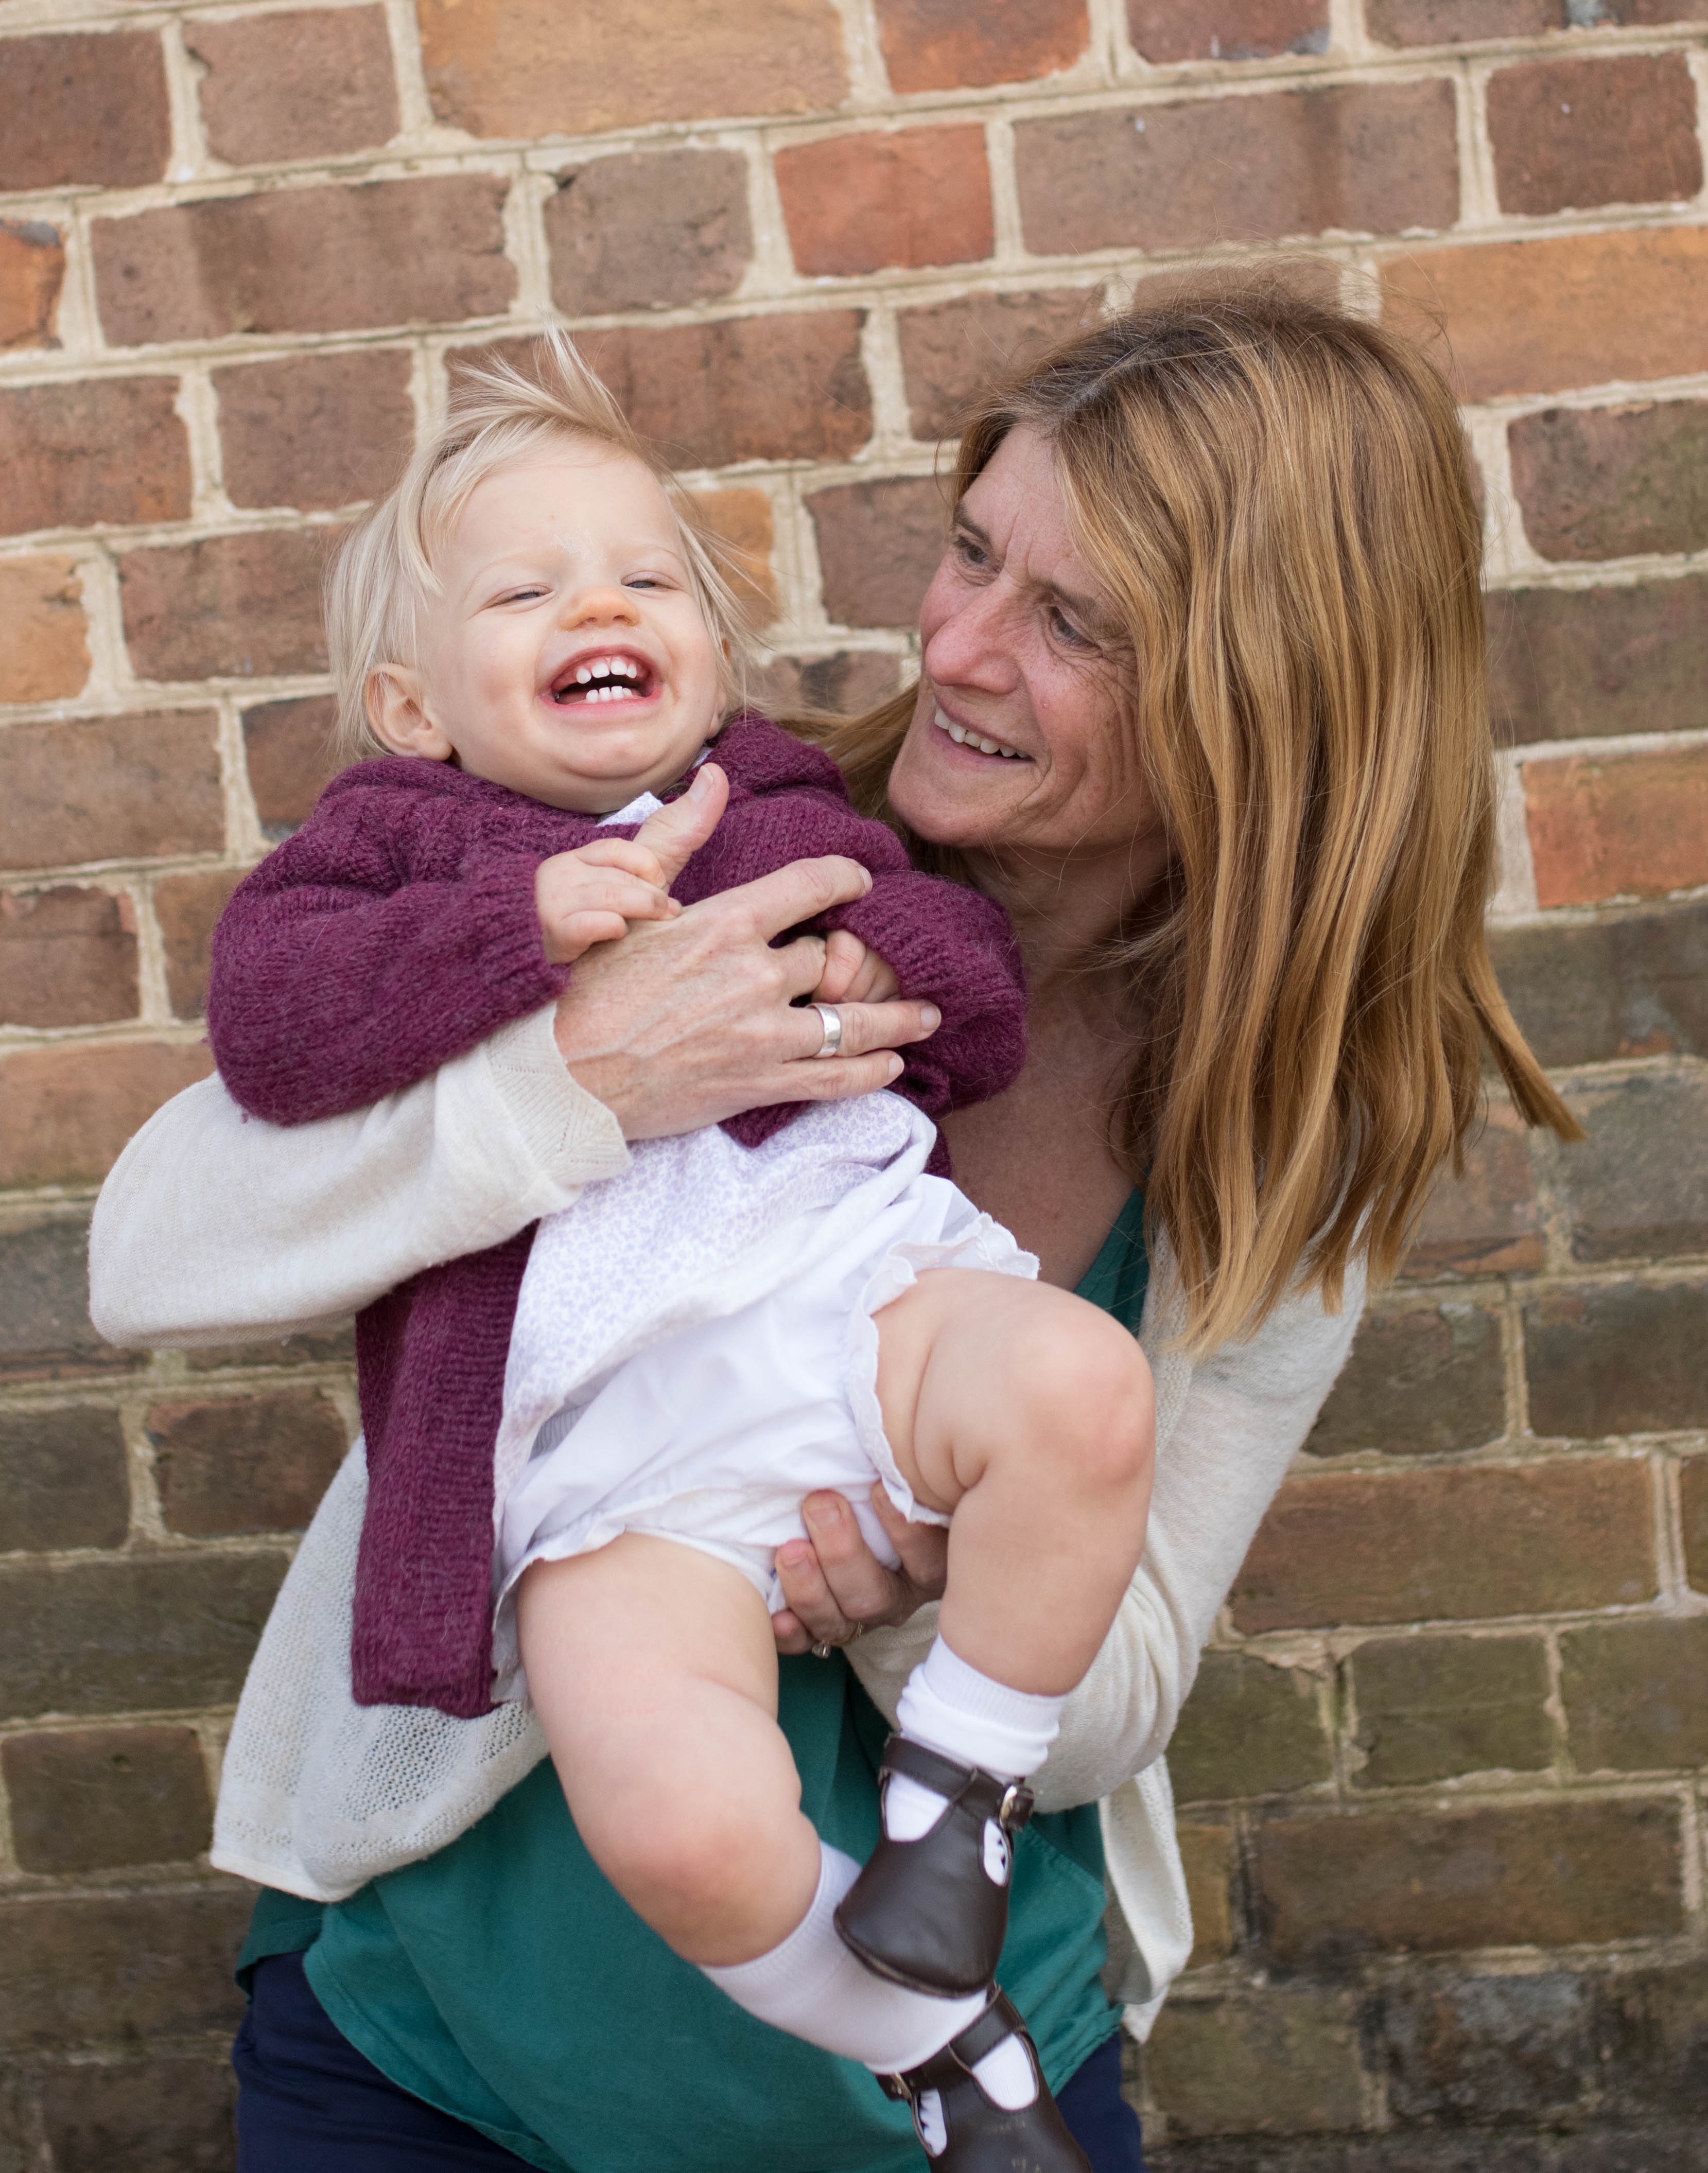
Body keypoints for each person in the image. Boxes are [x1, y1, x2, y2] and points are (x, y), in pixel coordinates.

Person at [90, 292, 1579, 2173]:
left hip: (925, 2102)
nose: (953, 643)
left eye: (1074, 624)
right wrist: (579, 1077)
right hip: (436, 2047)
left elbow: (1124, 1687)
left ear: (1263, 697)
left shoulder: (1296, 1120)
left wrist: (913, 1578)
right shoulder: (702, 833)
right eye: (973, 550)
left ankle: (931, 2018)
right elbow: (150, 1248)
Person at [197, 340, 1157, 2168]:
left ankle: (956, 1809)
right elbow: (273, 1023)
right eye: (526, 591)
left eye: (647, 578)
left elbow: (973, 996)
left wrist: (879, 963)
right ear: (411, 703)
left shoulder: (780, 803)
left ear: (713, 657)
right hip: (604, 1447)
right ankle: (927, 2036)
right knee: (683, 1823)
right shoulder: (392, 848)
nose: (600, 608)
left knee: (1082, 1387)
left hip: (858, 1321)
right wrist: (515, 936)